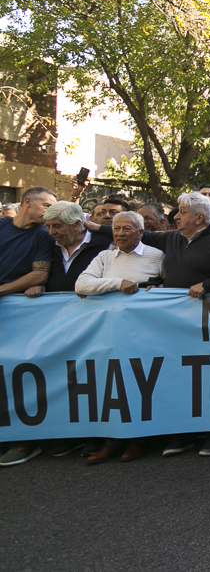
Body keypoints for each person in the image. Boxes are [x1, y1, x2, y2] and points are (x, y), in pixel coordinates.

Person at [86, 192, 210, 458]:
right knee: (181, 377)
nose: (176, 216)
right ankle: (183, 433)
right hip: (175, 324)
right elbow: (137, 232)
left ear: (200, 218)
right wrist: (92, 226)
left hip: (206, 323)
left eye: (182, 212)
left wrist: (208, 284)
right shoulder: (172, 238)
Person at [74, 211, 166, 464]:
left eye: (127, 229)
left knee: (140, 384)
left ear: (140, 232)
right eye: (117, 229)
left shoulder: (157, 256)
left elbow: (169, 288)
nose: (121, 234)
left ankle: (138, 440)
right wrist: (117, 283)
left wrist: (155, 289)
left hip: (144, 333)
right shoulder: (104, 257)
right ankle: (111, 442)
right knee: (111, 385)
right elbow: (81, 285)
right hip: (109, 333)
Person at [0, 187, 57, 467]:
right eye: (46, 205)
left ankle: (22, 440)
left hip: (19, 315)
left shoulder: (43, 235)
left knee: (15, 373)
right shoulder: (2, 226)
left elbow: (39, 274)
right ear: (27, 202)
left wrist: (2, 291)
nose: (49, 211)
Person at [33, 201, 109, 295]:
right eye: (48, 226)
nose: (51, 232)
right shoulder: (49, 244)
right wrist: (39, 286)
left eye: (57, 226)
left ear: (76, 224)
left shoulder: (105, 245)